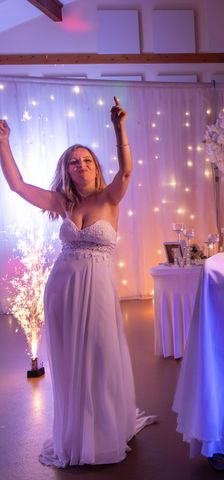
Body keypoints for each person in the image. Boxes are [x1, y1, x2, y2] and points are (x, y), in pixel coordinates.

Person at [0, 97, 155, 467]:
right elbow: (18, 186)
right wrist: (3, 143)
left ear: (95, 167)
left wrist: (119, 127)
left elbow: (128, 171)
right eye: (73, 162)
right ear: (66, 170)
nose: (80, 165)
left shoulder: (110, 197)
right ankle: (76, 435)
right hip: (62, 291)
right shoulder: (62, 204)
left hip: (97, 288)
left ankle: (102, 432)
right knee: (71, 363)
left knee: (99, 357)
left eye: (86, 160)